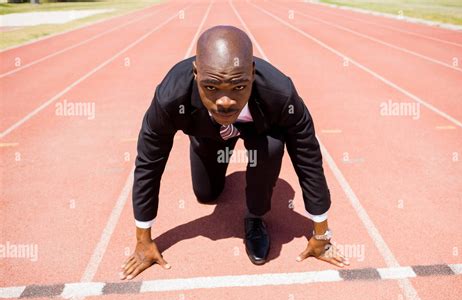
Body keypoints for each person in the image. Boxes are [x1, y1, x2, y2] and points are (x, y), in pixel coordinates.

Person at [120, 25, 349, 281]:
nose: (225, 101)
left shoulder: (281, 93)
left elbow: (308, 157)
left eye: (239, 87)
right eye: (212, 88)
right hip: (207, 134)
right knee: (206, 194)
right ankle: (207, 150)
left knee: (272, 147)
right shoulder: (171, 97)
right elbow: (149, 163)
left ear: (252, 73)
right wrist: (143, 239)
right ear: (196, 74)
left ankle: (255, 217)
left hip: (259, 131)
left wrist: (321, 235)